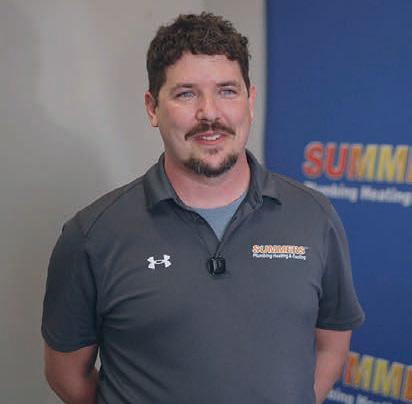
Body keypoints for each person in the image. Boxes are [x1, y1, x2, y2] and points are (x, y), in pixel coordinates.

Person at [42, 12, 364, 404]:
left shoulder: (313, 217)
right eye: (186, 94)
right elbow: (67, 374)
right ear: (152, 108)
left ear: (250, 101)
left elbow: (331, 345)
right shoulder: (92, 236)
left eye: (227, 91)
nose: (210, 113)